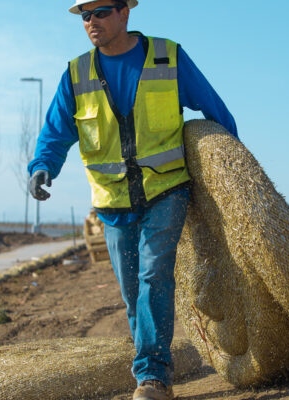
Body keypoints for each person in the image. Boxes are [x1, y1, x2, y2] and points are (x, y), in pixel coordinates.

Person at [28, 1, 237, 398]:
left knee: (153, 276)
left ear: (125, 13)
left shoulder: (167, 56)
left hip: (166, 190)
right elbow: (55, 132)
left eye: (100, 12)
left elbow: (214, 110)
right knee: (131, 293)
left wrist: (230, 170)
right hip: (111, 202)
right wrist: (42, 166)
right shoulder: (77, 74)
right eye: (84, 15)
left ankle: (153, 377)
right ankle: (151, 362)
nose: (91, 22)